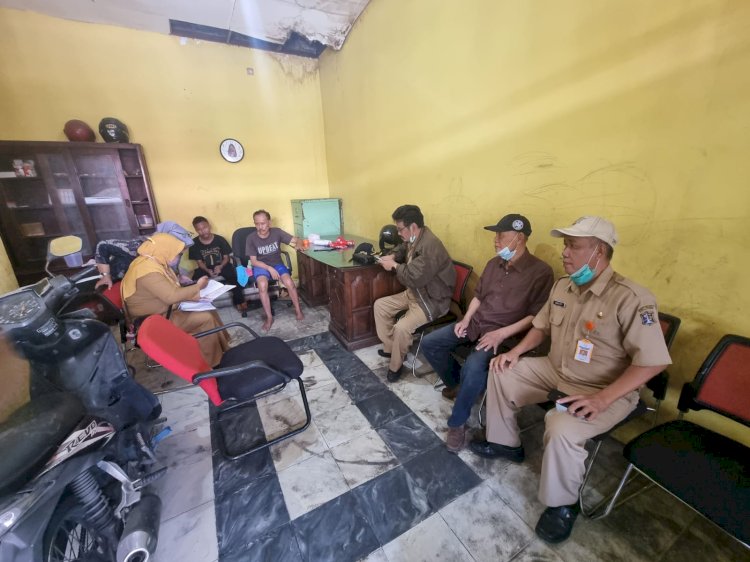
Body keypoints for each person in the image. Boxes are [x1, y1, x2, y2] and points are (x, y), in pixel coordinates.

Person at [469, 216, 671, 544]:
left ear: (599, 252)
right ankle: (505, 444)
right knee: (502, 368)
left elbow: (652, 362)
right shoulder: (563, 286)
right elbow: (542, 327)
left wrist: (603, 399)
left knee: (560, 425)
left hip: (604, 389)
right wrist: (516, 352)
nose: (565, 252)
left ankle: (562, 505)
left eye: (574, 246)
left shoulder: (632, 298)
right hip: (556, 369)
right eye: (565, 245)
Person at [421, 214, 554, 453]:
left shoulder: (540, 272)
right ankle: (459, 385)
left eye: (501, 235)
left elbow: (536, 316)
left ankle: (458, 423)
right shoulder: (495, 263)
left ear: (520, 238)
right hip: (476, 323)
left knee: (474, 366)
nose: (495, 240)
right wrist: (467, 319)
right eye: (496, 235)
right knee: (431, 343)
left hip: (503, 335)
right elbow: (479, 296)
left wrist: (502, 334)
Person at [374, 204, 456, 382]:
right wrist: (393, 256)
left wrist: (394, 266)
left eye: (399, 229)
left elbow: (413, 278)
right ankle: (390, 348)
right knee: (380, 305)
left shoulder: (430, 246)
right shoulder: (416, 237)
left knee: (401, 328)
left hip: (432, 300)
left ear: (412, 226)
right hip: (416, 293)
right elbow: (403, 247)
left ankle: (395, 367)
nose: (398, 233)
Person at [122, 233, 229, 367]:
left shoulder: (153, 261)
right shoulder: (148, 272)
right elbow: (172, 296)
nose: (178, 257)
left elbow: (169, 289)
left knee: (208, 307)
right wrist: (198, 287)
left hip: (164, 310)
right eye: (177, 254)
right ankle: (213, 364)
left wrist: (192, 291)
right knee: (205, 318)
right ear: (165, 250)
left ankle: (222, 350)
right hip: (154, 321)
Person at [245, 210, 304, 332]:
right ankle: (269, 317)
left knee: (289, 283)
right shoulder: (251, 238)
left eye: (263, 223)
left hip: (277, 264)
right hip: (261, 266)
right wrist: (268, 268)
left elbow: (296, 239)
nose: (260, 227)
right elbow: (254, 261)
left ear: (269, 223)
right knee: (262, 285)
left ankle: (298, 310)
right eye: (257, 224)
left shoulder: (277, 232)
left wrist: (298, 243)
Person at [94, 221, 194, 289]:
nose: (180, 251)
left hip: (137, 287)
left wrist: (179, 277)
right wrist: (105, 275)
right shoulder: (136, 247)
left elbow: (171, 268)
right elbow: (103, 245)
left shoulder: (170, 251)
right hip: (112, 284)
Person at [189, 216, 247, 315]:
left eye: (205, 227)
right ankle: (198, 307)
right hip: (205, 268)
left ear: (209, 226)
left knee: (233, 277)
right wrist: (207, 270)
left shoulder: (220, 240)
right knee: (194, 281)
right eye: (200, 229)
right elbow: (199, 262)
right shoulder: (194, 244)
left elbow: (226, 257)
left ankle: (239, 301)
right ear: (196, 230)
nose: (203, 231)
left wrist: (220, 266)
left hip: (222, 265)